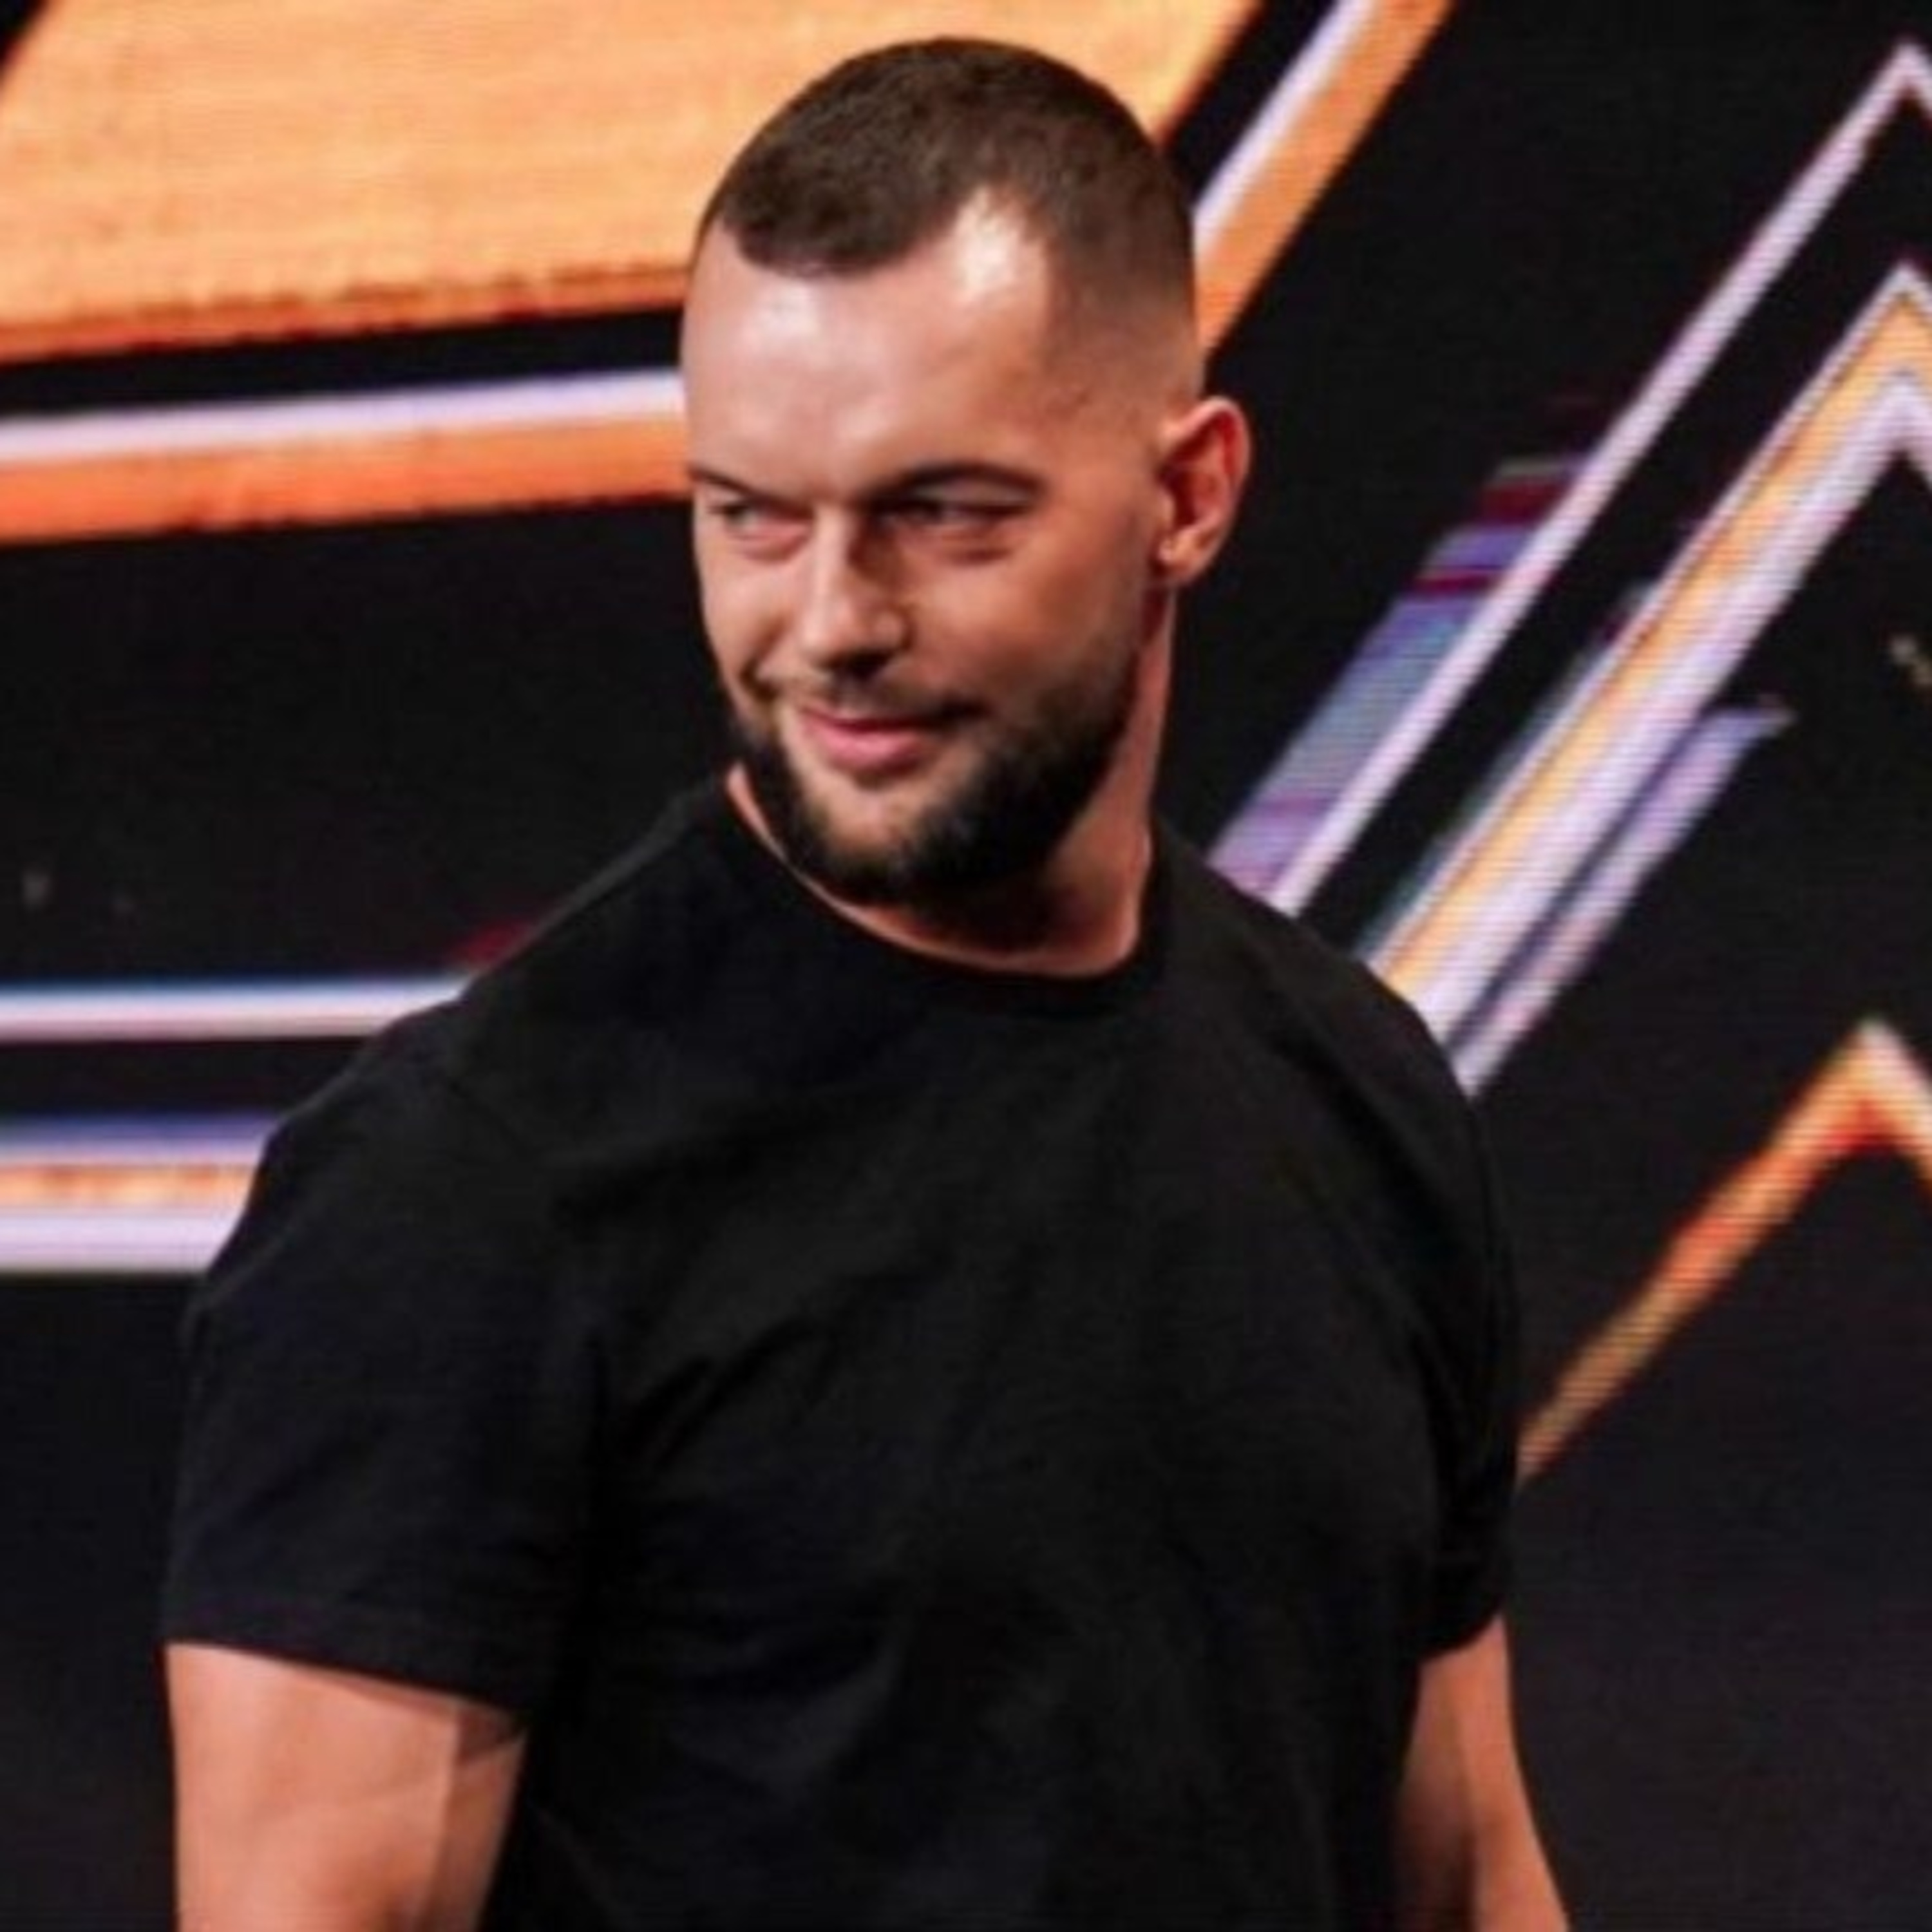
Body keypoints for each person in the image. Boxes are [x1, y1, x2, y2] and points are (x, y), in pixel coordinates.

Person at [163, 36, 1564, 1932]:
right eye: (750, 512)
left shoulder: (1361, 1104)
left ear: (1190, 494)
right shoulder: (463, 1188)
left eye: (943, 513)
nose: (827, 623)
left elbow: (1468, 1869)